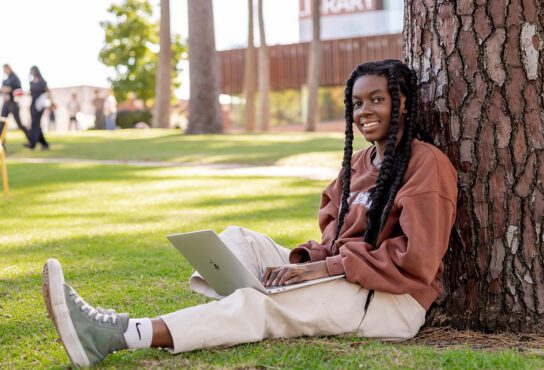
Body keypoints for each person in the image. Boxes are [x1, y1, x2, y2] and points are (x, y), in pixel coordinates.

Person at [41, 60, 459, 367]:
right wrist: (306, 264)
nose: (364, 111)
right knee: (240, 239)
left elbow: (417, 261)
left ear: (402, 103)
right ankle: (257, 298)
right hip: (343, 277)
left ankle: (116, 333)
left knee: (257, 307)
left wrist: (324, 270)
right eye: (357, 102)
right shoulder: (357, 165)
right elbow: (333, 238)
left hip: (389, 301)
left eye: (377, 100)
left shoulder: (426, 165)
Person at [1, 64, 30, 143]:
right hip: (6, 103)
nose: (4, 71)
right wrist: (3, 93)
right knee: (2, 123)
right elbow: (2, 90)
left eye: (5, 69)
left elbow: (19, 90)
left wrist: (10, 90)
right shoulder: (5, 79)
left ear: (9, 68)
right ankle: (1, 144)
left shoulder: (15, 78)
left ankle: (31, 139)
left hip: (13, 103)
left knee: (19, 124)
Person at [26, 66, 50, 150]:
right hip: (33, 105)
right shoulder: (31, 82)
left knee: (35, 124)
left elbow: (48, 92)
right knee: (35, 124)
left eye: (33, 71)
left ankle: (32, 143)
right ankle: (44, 144)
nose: (32, 73)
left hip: (40, 106)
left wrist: (51, 103)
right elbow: (31, 93)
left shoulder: (43, 82)